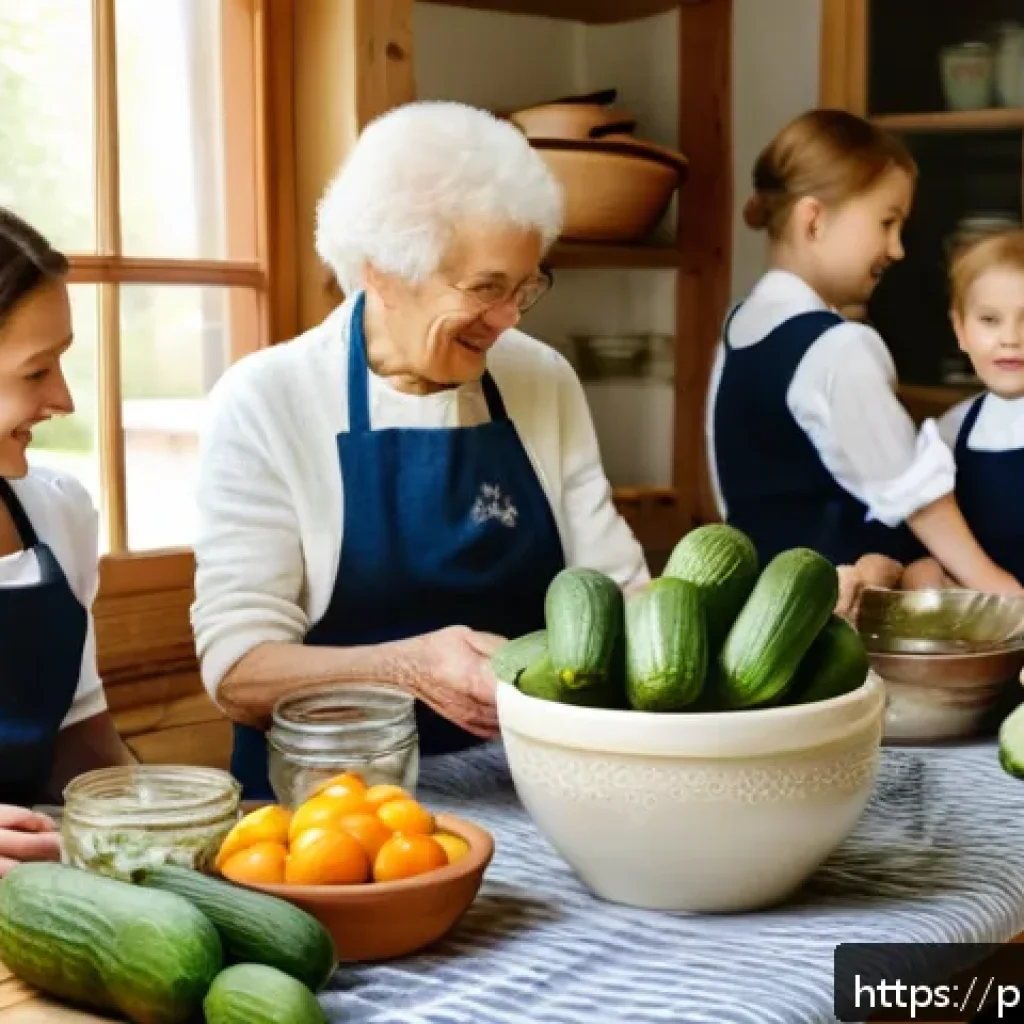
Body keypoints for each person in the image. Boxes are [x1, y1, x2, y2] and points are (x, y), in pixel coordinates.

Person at [191, 101, 649, 799]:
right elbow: (238, 673)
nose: (509, 320)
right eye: (485, 289)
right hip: (334, 807)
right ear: (383, 270)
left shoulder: (541, 379)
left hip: (539, 788)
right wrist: (407, 670)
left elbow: (620, 593)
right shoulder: (266, 400)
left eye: (526, 287)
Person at [705, 108, 1022, 601]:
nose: (896, 249)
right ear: (814, 219)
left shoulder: (739, 324)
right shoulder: (837, 346)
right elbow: (918, 499)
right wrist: (1003, 592)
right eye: (887, 223)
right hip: (843, 613)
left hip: (763, 604)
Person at [0, 207, 135, 873]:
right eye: (36, 371)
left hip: (44, 905)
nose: (64, 399)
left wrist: (169, 820)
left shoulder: (59, 515)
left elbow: (83, 755)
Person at [902, 229, 1024, 589]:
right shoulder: (948, 433)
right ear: (961, 331)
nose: (1010, 338)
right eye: (989, 320)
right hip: (987, 632)